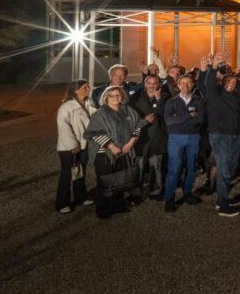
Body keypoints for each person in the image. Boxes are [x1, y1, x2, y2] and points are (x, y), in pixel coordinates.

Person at [83, 86, 144, 219]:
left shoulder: (129, 111)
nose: (115, 98)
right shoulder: (99, 114)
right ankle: (103, 209)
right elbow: (92, 133)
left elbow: (138, 125)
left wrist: (131, 142)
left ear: (122, 96)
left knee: (120, 180)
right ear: (106, 98)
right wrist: (111, 146)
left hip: (124, 151)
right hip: (104, 153)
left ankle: (118, 205)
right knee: (106, 182)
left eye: (118, 95)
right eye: (111, 95)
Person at [200, 54, 240, 217]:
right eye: (229, 82)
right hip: (221, 136)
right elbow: (209, 83)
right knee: (224, 170)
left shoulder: (235, 97)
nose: (232, 85)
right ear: (223, 83)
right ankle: (223, 205)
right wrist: (214, 66)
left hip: (235, 136)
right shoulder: (215, 94)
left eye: (234, 83)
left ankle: (222, 199)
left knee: (230, 169)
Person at [163, 75, 205, 212]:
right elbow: (169, 121)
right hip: (175, 138)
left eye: (189, 83)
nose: (185, 86)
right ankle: (169, 199)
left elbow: (200, 120)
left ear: (193, 85)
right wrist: (189, 115)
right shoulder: (171, 102)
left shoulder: (199, 101)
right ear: (178, 85)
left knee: (191, 167)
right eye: (182, 83)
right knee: (174, 169)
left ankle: (187, 193)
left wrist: (179, 118)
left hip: (193, 137)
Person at [55, 80, 94, 213]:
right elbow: (63, 126)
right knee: (67, 174)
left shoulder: (89, 104)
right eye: (84, 88)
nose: (88, 89)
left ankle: (81, 198)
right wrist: (72, 144)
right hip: (68, 147)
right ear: (75, 90)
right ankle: (61, 204)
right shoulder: (66, 107)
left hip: (84, 145)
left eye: (88, 87)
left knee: (80, 172)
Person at [133, 73, 167, 201]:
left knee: (156, 167)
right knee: (139, 167)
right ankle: (136, 194)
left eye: (155, 83)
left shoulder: (165, 97)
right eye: (149, 83)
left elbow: (165, 115)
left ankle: (156, 192)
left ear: (159, 84)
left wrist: (159, 101)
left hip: (158, 137)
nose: (152, 86)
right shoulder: (136, 97)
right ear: (145, 84)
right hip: (141, 138)